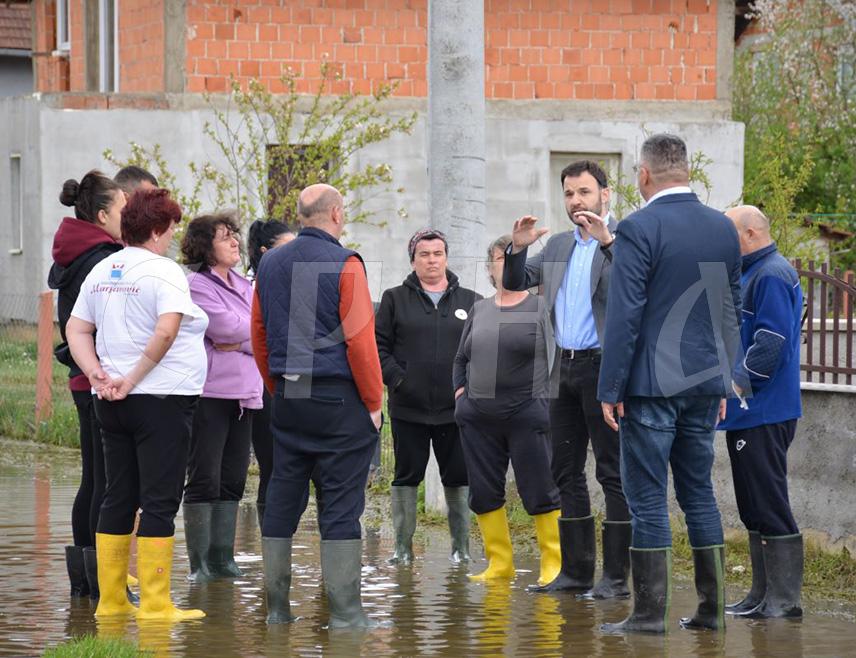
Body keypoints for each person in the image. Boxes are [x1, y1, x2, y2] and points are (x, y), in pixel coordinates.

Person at [597, 134, 742, 633]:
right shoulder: (724, 227)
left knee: (648, 497)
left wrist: (609, 388)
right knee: (699, 493)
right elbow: (729, 307)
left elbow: (625, 314)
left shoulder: (638, 227)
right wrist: (726, 380)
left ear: (644, 174)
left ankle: (647, 616)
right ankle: (712, 611)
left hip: (651, 385)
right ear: (683, 169)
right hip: (705, 383)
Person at [66, 188, 208, 621]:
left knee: (117, 496)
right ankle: (156, 603)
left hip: (110, 401)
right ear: (158, 229)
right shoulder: (163, 271)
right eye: (170, 229)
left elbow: (76, 329)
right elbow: (166, 332)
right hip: (161, 400)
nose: (171, 237)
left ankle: (109, 603)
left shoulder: (103, 268)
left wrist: (96, 374)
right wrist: (132, 378)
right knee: (161, 500)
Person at [251, 184, 383, 628]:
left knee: (283, 495)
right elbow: (361, 342)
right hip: (338, 397)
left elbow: (260, 334)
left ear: (301, 215)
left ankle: (276, 610)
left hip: (289, 395)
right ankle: (346, 616)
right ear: (337, 214)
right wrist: (373, 401)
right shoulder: (346, 263)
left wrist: (277, 388)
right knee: (342, 504)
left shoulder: (268, 263)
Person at [503, 160, 630, 599]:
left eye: (585, 192)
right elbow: (517, 281)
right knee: (565, 470)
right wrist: (516, 249)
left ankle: (616, 580)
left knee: (613, 472)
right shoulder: (558, 244)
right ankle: (576, 573)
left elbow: (637, 287)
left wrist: (607, 243)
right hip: (564, 369)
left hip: (604, 370)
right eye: (570, 194)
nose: (577, 201)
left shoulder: (623, 240)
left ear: (605, 195)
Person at [453, 235, 561, 586]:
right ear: (489, 268)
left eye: (510, 258)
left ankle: (553, 564)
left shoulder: (542, 308)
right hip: (478, 418)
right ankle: (500, 564)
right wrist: (461, 398)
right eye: (499, 258)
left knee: (540, 488)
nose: (504, 264)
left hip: (526, 414)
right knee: (483, 490)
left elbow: (557, 361)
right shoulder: (480, 309)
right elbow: (461, 357)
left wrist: (545, 404)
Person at [375, 228, 480, 565]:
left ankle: (461, 549)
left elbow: (482, 349)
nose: (432, 260)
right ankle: (402, 549)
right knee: (406, 475)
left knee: (458, 477)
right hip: (409, 407)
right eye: (424, 254)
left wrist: (469, 387)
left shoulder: (471, 301)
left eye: (437, 254)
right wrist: (398, 380)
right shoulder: (394, 299)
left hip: (455, 409)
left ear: (446, 258)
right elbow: (378, 348)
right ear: (413, 260)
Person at [720, 205, 804, 619]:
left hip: (764, 410)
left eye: (728, 231)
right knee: (752, 505)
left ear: (751, 233)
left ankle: (784, 602)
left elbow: (770, 344)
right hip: (748, 412)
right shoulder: (751, 271)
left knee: (769, 502)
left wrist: (734, 385)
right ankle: (761, 595)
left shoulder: (771, 273)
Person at [49, 170, 125, 599]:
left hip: (83, 374)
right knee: (106, 480)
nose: (126, 218)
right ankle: (100, 582)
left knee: (93, 478)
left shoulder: (75, 251)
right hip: (98, 375)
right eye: (121, 210)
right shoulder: (101, 259)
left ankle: (85, 582)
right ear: (101, 215)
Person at [180, 213, 263, 581]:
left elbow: (260, 328)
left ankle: (222, 558)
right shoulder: (197, 284)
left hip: (245, 395)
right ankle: (199, 565)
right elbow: (224, 327)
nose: (234, 243)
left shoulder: (245, 285)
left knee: (232, 479)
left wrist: (242, 342)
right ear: (204, 245)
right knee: (205, 478)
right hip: (211, 393)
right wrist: (250, 339)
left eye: (235, 236)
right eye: (224, 237)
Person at [246, 219, 296, 526]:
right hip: (259, 386)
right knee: (272, 466)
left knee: (288, 467)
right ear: (266, 253)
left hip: (288, 383)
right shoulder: (254, 285)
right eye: (286, 248)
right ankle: (270, 543)